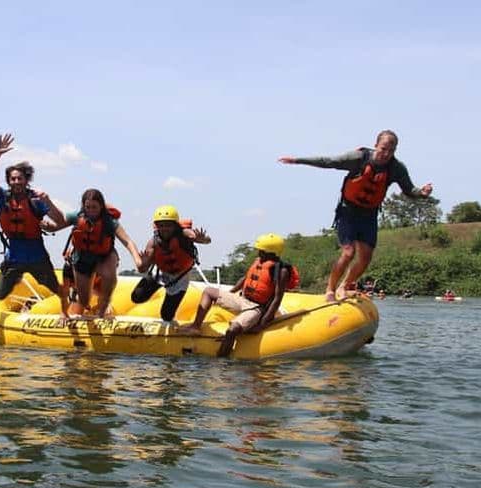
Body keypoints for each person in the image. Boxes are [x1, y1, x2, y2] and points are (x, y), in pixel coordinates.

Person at [279, 130, 433, 301]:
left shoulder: (396, 168)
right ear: (376, 145)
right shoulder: (358, 158)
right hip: (348, 211)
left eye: (391, 150)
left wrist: (422, 192)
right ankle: (330, 289)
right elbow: (329, 161)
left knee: (366, 257)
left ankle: (344, 286)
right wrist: (298, 160)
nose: (386, 154)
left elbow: (409, 189)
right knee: (348, 253)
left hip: (369, 215)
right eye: (383, 149)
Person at [0, 133, 70, 316]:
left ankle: (66, 313)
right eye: (13, 179)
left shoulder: (36, 200)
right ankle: (21, 294)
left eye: (19, 178)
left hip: (37, 256)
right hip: (14, 258)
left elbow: (60, 221)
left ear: (26, 180)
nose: (16, 182)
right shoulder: (3, 198)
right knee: (0, 294)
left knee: (55, 288)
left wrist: (49, 201)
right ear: (9, 181)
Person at [180, 233, 299, 357]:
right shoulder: (259, 262)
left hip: (257, 308)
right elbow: (244, 279)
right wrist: (228, 294)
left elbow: (277, 298)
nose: (259, 253)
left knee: (232, 330)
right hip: (243, 299)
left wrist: (262, 324)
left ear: (271, 252)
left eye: (261, 251)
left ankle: (222, 363)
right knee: (209, 291)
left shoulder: (281, 271)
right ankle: (196, 326)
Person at [43, 189, 143, 318]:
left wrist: (137, 259)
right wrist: (48, 225)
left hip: (104, 256)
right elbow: (58, 224)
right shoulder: (77, 216)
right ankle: (86, 304)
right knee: (84, 300)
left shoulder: (109, 221)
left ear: (101, 206)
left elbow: (127, 241)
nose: (91, 211)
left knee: (108, 275)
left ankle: (103, 309)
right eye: (88, 207)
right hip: (82, 258)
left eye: (94, 207)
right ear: (83, 206)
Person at [132, 205, 211, 322]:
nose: (165, 229)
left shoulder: (184, 233)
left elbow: (206, 240)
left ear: (175, 225)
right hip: (160, 272)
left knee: (166, 315)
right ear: (156, 226)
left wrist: (202, 239)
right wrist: (143, 263)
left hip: (179, 277)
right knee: (136, 297)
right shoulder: (153, 243)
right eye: (161, 225)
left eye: (168, 225)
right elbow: (142, 269)